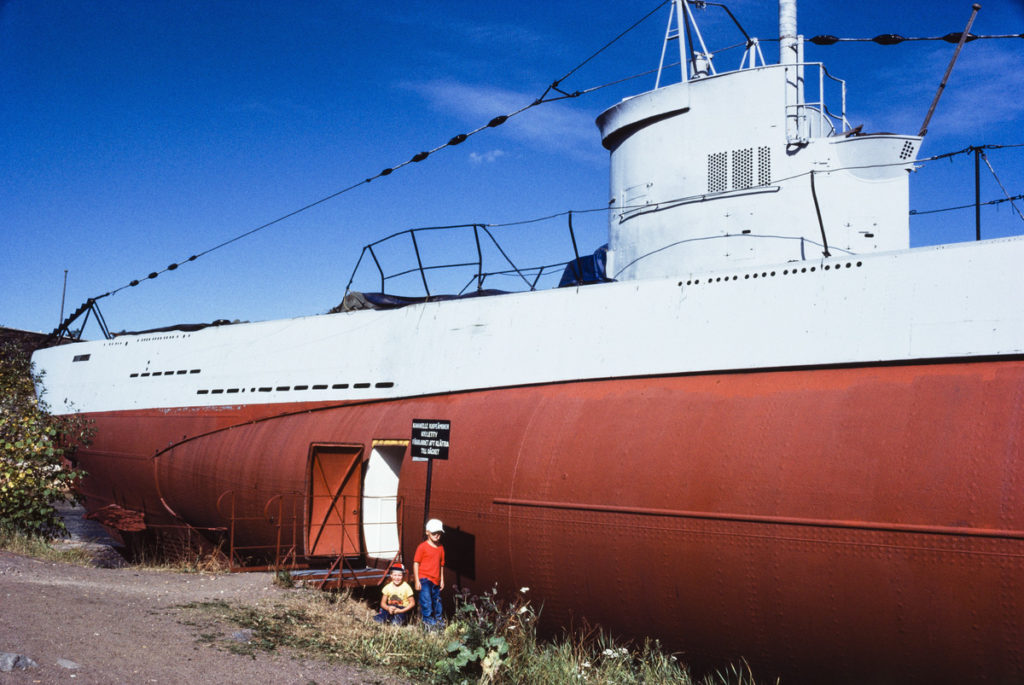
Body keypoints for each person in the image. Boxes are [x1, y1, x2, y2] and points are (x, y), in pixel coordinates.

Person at [413, 518, 445, 628]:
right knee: (426, 601)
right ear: (427, 532)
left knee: (437, 602)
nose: (437, 535)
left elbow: (441, 564)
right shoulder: (422, 547)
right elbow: (416, 563)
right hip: (424, 579)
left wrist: (442, 580)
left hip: (436, 580)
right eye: (434, 533)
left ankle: (439, 623)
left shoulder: (440, 548)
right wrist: (417, 580)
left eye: (439, 533)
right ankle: (428, 623)